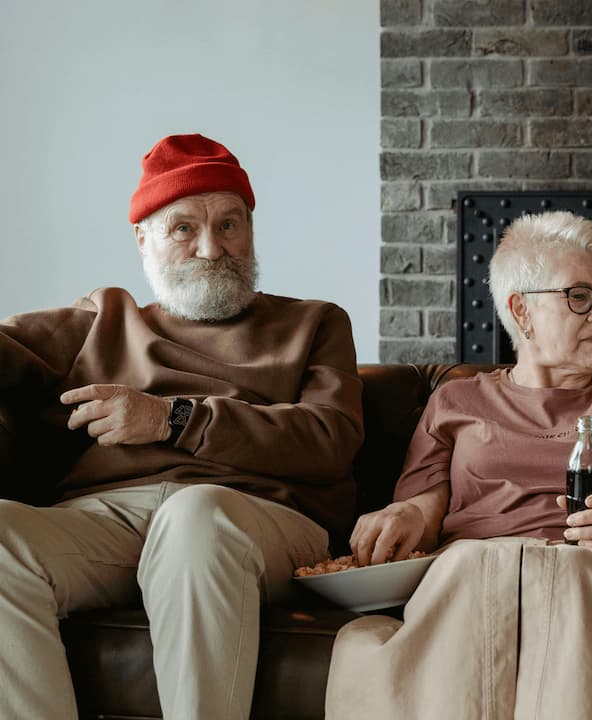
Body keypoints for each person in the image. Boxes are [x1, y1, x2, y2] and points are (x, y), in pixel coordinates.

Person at [0, 133, 364, 720]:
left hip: (252, 517)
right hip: (110, 519)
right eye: (182, 229)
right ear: (141, 238)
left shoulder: (313, 323)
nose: (211, 248)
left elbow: (328, 441)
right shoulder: (101, 320)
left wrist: (172, 419)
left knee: (193, 519)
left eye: (229, 224)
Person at [324, 211, 592, 720]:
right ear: (521, 311)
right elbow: (426, 509)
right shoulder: (456, 400)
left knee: (559, 571)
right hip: (476, 575)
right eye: (580, 297)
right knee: (475, 564)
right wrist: (405, 516)